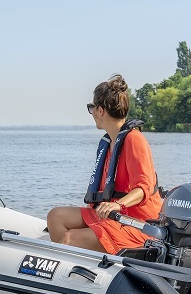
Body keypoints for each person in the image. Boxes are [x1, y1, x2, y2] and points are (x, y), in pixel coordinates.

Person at [47, 74, 162, 254]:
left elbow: (144, 188)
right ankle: (83, 260)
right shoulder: (109, 143)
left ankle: (74, 260)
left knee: (70, 239)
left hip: (137, 224)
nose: (91, 113)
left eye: (91, 108)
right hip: (110, 214)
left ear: (100, 111)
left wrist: (119, 205)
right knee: (56, 217)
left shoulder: (134, 139)